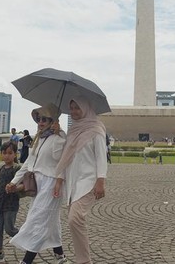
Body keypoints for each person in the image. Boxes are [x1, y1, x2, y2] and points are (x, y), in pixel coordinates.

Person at [7, 104, 68, 264]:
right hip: (37, 184)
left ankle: (26, 261)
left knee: (38, 220)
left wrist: (59, 134)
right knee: (51, 221)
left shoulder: (59, 138)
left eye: (45, 119)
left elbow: (60, 161)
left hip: (52, 184)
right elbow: (28, 163)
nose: (40, 122)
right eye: (39, 119)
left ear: (52, 121)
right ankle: (60, 256)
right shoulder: (38, 138)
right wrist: (13, 181)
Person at [54, 96, 108, 264]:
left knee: (75, 218)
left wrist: (101, 181)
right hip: (73, 183)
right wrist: (59, 180)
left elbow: (101, 157)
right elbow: (65, 157)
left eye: (77, 108)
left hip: (89, 181)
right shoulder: (73, 131)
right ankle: (82, 260)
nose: (74, 112)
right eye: (71, 108)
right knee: (74, 221)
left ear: (85, 108)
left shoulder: (96, 130)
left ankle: (84, 261)